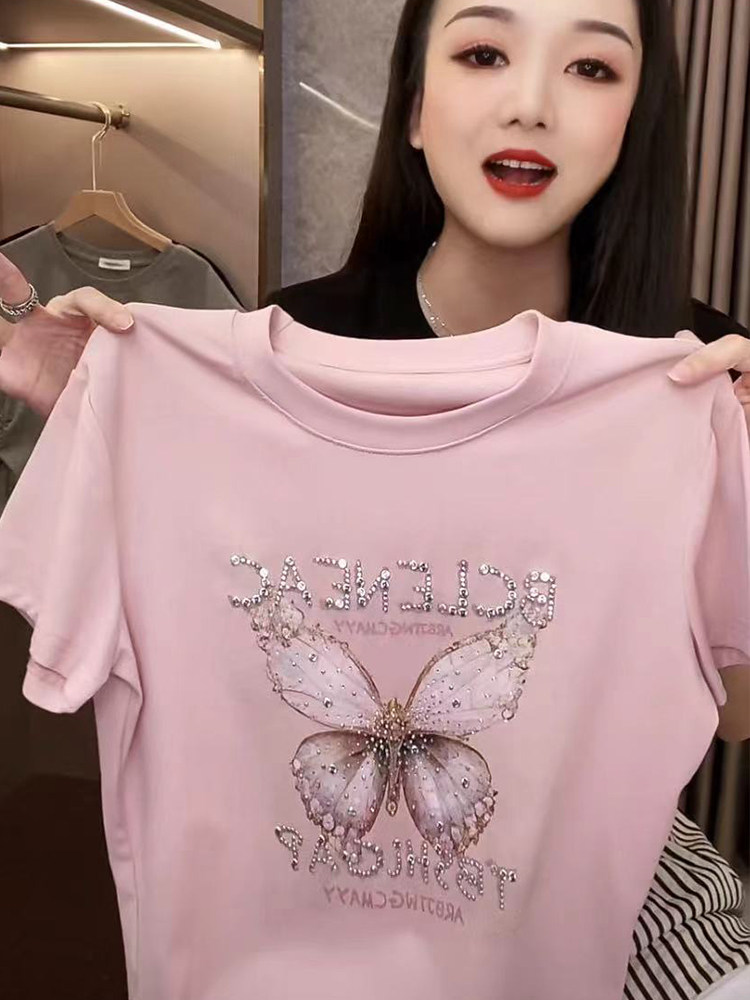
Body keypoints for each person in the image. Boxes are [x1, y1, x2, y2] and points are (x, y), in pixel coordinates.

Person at [0, 1, 748, 997]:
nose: (530, 104)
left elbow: (730, 707)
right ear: (415, 107)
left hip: (614, 902)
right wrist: (110, 432)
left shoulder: (693, 382)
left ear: (637, 117)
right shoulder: (261, 356)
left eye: (592, 69)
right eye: (484, 53)